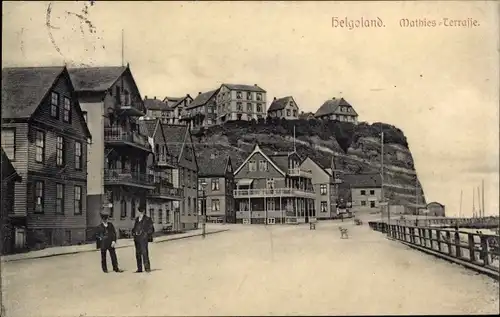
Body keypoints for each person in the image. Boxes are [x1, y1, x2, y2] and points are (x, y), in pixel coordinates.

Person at [132, 207, 155, 273]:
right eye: (139, 212)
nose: (140, 213)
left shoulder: (147, 219)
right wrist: (133, 232)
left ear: (143, 212)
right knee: (138, 254)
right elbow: (135, 227)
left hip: (143, 238)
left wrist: (146, 234)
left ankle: (147, 268)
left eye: (141, 212)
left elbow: (151, 229)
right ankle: (139, 269)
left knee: (144, 253)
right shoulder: (137, 219)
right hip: (137, 238)